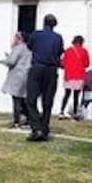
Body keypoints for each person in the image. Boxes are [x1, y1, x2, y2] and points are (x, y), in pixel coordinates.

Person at [26, 14, 64, 142]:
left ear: (44, 23)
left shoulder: (36, 34)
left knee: (31, 99)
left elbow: (29, 46)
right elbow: (59, 52)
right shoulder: (58, 38)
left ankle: (36, 128)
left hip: (37, 68)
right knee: (47, 101)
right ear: (54, 25)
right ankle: (44, 129)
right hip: (51, 70)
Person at [0, 32, 32, 128]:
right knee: (24, 99)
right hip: (26, 75)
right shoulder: (29, 48)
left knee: (16, 99)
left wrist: (4, 61)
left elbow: (12, 61)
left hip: (17, 76)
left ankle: (16, 121)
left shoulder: (18, 48)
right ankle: (29, 119)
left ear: (19, 39)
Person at [59, 35, 90, 119]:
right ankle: (75, 113)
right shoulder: (84, 51)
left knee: (67, 94)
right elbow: (87, 64)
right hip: (79, 76)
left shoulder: (68, 50)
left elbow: (62, 63)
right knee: (76, 96)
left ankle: (61, 111)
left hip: (69, 75)